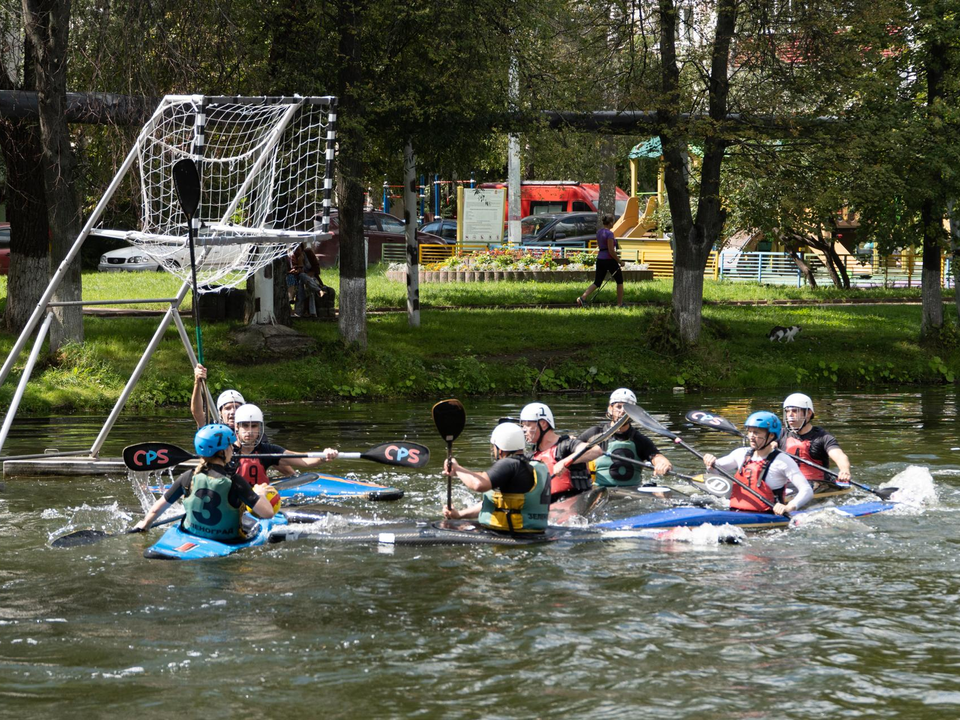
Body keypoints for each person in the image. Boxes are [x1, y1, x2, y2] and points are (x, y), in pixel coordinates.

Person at [130, 424, 275, 541]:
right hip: (228, 542)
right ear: (223, 451)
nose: (232, 449)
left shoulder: (187, 477)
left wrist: (145, 524)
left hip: (191, 535)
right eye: (230, 446)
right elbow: (267, 513)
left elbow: (156, 509)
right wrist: (260, 494)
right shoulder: (235, 481)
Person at [442, 422, 549, 534]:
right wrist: (459, 515)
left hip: (511, 535)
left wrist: (457, 468)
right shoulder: (529, 465)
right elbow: (495, 503)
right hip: (534, 533)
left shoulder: (509, 464)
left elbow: (479, 484)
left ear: (500, 448)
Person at [702, 411, 813, 515]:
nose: (751, 436)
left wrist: (789, 507)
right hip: (735, 512)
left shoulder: (783, 461)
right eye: (750, 432)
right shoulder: (740, 453)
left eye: (756, 432)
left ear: (771, 435)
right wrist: (710, 463)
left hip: (768, 516)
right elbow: (715, 471)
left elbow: (806, 490)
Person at [578, 388, 672, 487]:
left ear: (633, 413)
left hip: (633, 493)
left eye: (627, 409)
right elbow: (570, 448)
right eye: (618, 407)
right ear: (610, 409)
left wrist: (664, 464)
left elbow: (657, 457)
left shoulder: (639, 439)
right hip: (599, 492)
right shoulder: (594, 433)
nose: (622, 411)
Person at [232, 403, 339, 484]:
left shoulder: (267, 450)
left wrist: (323, 457)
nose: (250, 431)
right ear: (237, 427)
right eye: (245, 426)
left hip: (258, 500)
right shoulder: (227, 451)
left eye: (254, 426)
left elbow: (303, 460)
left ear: (260, 428)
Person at [519, 402, 594, 503]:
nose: (524, 430)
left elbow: (594, 450)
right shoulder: (531, 457)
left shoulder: (566, 446)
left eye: (527, 425)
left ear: (543, 424)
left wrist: (564, 462)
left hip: (576, 504)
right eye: (523, 426)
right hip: (550, 508)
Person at [780, 392, 852, 491]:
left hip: (816, 484)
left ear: (808, 413)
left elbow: (839, 456)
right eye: (787, 411)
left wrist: (844, 470)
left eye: (795, 411)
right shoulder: (779, 435)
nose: (790, 415)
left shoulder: (823, 437)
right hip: (788, 483)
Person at [576, 215, 624, 308]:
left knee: (597, 282)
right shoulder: (610, 234)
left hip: (600, 259)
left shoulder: (599, 232)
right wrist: (619, 261)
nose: (613, 224)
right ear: (610, 223)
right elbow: (611, 250)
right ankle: (619, 304)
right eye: (612, 222)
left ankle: (583, 297)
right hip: (609, 260)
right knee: (619, 281)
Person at [190, 364, 244, 429]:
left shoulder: (250, 429)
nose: (233, 412)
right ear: (220, 413)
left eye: (237, 408)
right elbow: (197, 413)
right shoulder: (211, 426)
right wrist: (197, 383)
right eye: (227, 408)